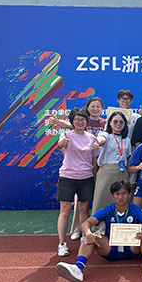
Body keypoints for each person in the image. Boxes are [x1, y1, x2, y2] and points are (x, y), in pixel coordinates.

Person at [55, 181, 142, 282]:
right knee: (91, 236)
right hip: (110, 249)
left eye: (124, 194)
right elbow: (86, 223)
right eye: (117, 194)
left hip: (132, 249)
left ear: (129, 195)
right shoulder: (107, 210)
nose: (121, 197)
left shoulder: (136, 210)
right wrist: (88, 233)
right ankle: (78, 269)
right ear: (113, 196)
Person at [55, 108, 99, 257]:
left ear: (87, 122)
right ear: (72, 121)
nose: (80, 122)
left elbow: (94, 159)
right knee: (65, 210)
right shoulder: (66, 135)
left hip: (86, 178)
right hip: (68, 177)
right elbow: (60, 144)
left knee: (84, 210)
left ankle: (84, 238)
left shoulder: (91, 138)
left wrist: (94, 177)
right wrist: (62, 142)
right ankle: (62, 244)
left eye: (83, 119)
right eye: (77, 119)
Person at [91, 111, 133, 214]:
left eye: (121, 122)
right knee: (102, 199)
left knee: (122, 199)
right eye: (115, 121)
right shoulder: (106, 135)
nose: (118, 124)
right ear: (110, 123)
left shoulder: (127, 140)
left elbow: (128, 157)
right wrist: (97, 142)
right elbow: (101, 139)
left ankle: (121, 221)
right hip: (106, 172)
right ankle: (99, 223)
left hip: (122, 172)